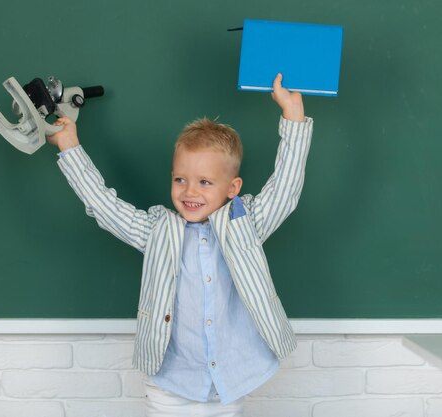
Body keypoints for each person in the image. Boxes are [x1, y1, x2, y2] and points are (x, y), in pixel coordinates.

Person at [48, 73, 313, 416]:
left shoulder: (245, 223)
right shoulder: (157, 230)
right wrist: (70, 146)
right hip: (171, 382)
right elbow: (103, 205)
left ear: (232, 188)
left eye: (205, 182)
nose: (190, 192)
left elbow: (285, 189)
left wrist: (292, 118)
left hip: (230, 382)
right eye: (180, 179)